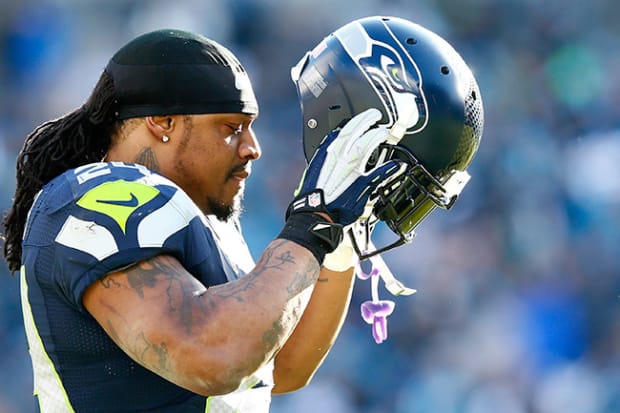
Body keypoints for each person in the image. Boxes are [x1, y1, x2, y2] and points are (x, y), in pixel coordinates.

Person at [2, 15, 484, 413]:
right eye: (232, 127)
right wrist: (310, 229)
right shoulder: (97, 194)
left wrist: (337, 244)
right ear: (161, 122)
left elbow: (281, 365)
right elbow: (209, 355)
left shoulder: (205, 224)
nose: (252, 148)